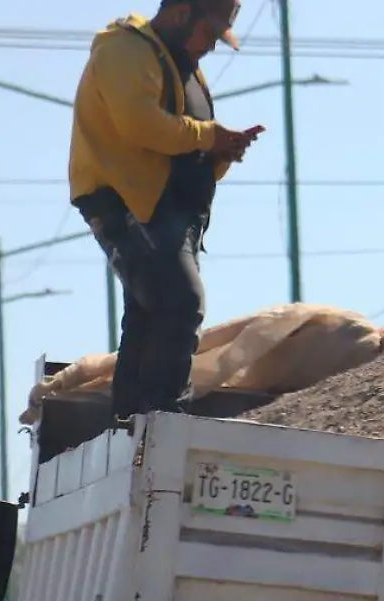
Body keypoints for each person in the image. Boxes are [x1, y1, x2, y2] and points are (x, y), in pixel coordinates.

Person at [68, 0, 262, 422]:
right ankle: (162, 422)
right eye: (210, 33)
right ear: (181, 13)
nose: (211, 46)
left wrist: (221, 151)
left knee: (150, 312)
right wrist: (210, 137)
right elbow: (140, 123)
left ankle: (128, 426)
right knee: (181, 301)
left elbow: (182, 145)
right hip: (126, 205)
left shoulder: (181, 64)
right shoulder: (125, 49)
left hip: (168, 211)